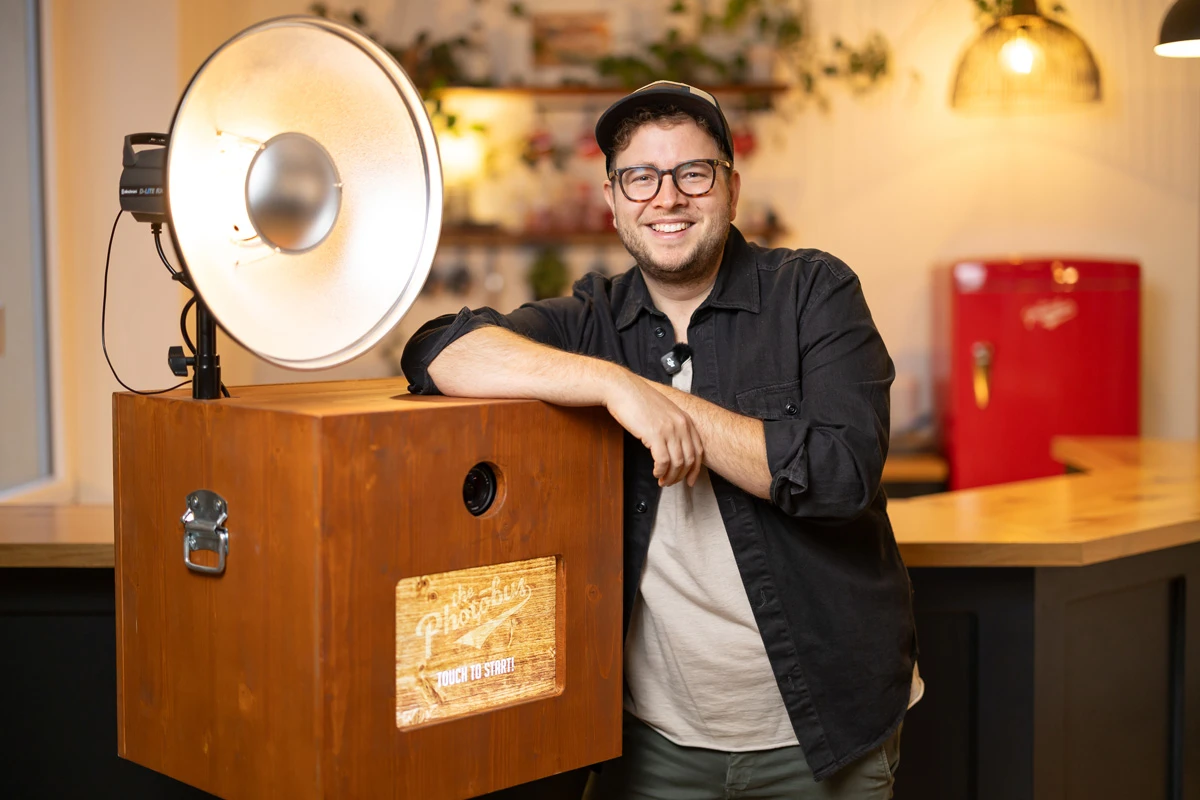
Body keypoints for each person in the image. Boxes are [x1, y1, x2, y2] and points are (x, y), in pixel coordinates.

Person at [402, 81, 920, 799]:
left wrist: (676, 409)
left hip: (822, 732)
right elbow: (438, 351)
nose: (666, 197)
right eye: (640, 177)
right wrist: (620, 386)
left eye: (692, 173)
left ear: (731, 191)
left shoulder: (814, 293)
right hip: (651, 743)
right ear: (613, 201)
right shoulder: (594, 320)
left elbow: (838, 476)